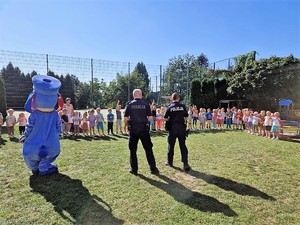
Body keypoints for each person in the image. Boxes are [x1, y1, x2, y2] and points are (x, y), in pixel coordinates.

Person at [124, 89, 159, 175]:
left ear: (133, 95)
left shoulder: (129, 104)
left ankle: (134, 169)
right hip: (144, 129)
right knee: (148, 149)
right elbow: (150, 118)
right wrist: (144, 121)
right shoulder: (146, 104)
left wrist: (130, 123)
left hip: (133, 130)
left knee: (133, 150)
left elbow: (125, 118)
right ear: (141, 95)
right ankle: (153, 169)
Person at [164, 93, 191, 172]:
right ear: (178, 99)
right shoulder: (183, 106)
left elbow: (165, 118)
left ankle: (170, 162)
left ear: (172, 99)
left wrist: (171, 120)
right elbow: (186, 117)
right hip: (181, 128)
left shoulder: (169, 107)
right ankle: (185, 163)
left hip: (172, 128)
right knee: (183, 145)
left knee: (171, 145)